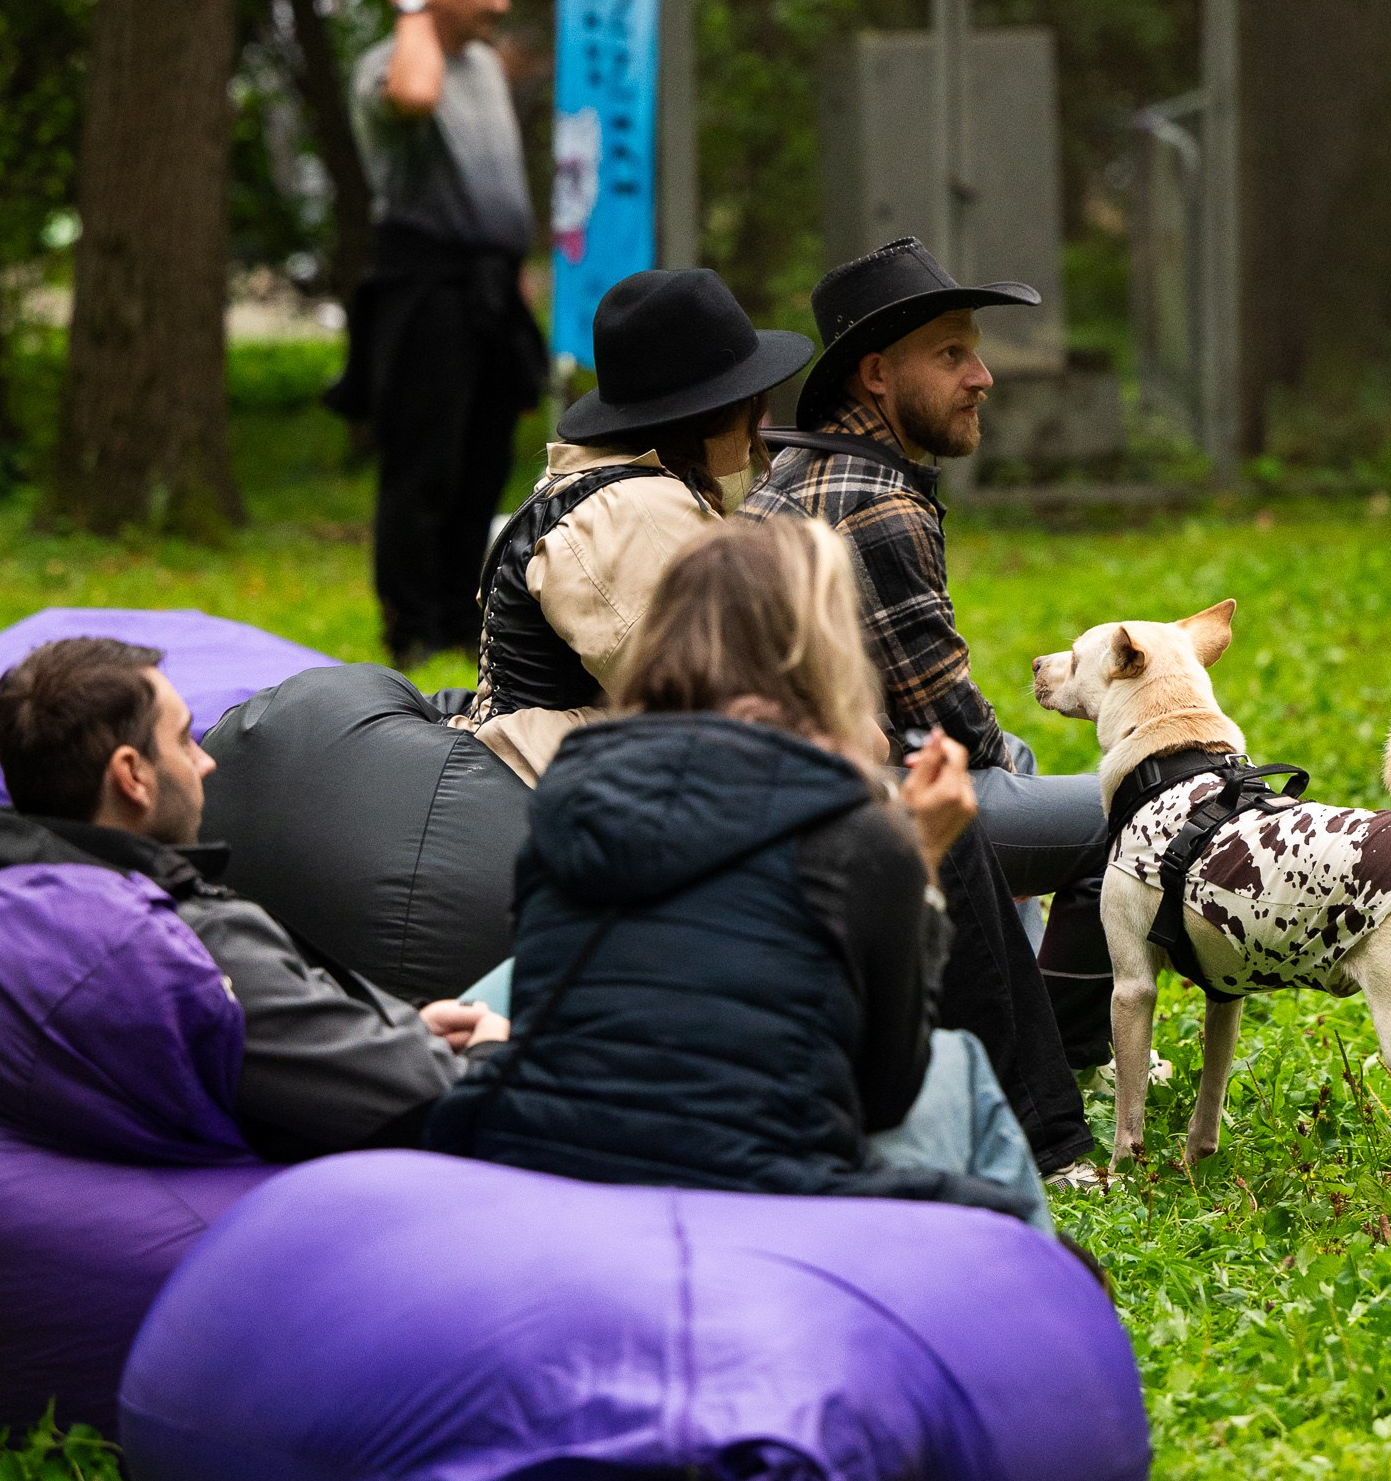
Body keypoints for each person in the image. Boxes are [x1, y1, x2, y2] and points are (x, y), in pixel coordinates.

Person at [429, 520, 1051, 1226]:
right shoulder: (858, 836)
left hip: (552, 1162)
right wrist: (923, 868)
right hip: (761, 1192)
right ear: (823, 652)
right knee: (960, 1071)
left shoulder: (568, 794)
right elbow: (885, 1091)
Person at [741, 236, 1114, 1085]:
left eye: (974, 354)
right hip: (842, 810)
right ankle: (1059, 1055)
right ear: (876, 376)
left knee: (1010, 773)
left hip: (783, 794)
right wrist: (1003, 753)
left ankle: (1021, 1034)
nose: (981, 377)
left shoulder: (806, 471)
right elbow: (950, 719)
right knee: (1133, 813)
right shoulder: (875, 501)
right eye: (952, 354)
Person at [0, 636, 484, 1163]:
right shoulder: (186, 947)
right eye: (184, 740)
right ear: (132, 776)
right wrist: (491, 1046)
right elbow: (445, 1099)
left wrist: (404, 1026)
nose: (205, 762)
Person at [463, 266, 812, 785]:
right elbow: (725, 713)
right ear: (716, 414)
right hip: (547, 792)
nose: (756, 440)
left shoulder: (599, 487)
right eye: (750, 409)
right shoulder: (635, 513)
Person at [328, 0, 549, 669]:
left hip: (490, 286)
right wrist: (411, 7)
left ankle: (463, 617)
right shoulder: (388, 67)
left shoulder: (484, 66)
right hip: (425, 287)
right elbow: (417, 95)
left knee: (484, 458)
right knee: (425, 463)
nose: (500, 1)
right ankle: (411, 625)